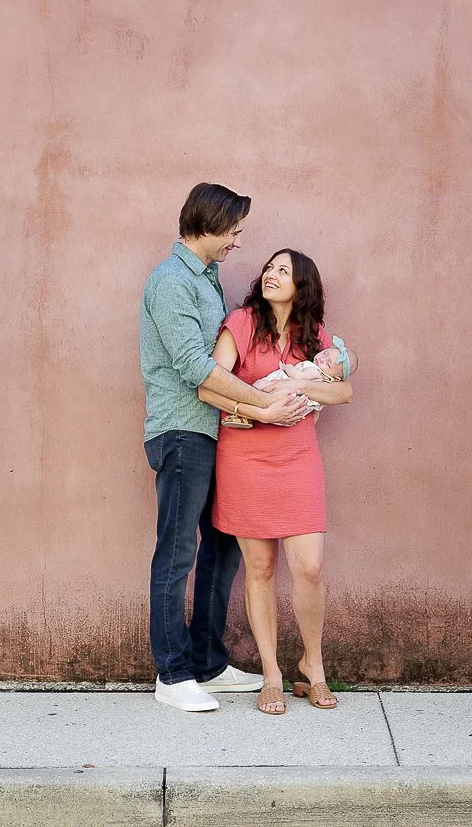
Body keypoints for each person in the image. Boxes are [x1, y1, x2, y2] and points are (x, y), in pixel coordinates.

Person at [141, 183, 309, 713]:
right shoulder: (171, 282)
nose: (237, 242)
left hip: (216, 434)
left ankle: (208, 662)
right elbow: (195, 366)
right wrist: (262, 403)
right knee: (178, 551)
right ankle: (172, 674)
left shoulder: (206, 281)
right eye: (233, 231)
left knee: (221, 550)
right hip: (181, 433)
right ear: (208, 225)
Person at [195, 249, 355, 715]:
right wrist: (256, 408)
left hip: (299, 460)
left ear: (302, 285)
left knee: (309, 568)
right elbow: (210, 385)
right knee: (260, 569)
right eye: (269, 268)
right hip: (245, 460)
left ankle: (313, 666)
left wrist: (298, 387)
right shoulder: (242, 323)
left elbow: (344, 390)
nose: (271, 274)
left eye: (282, 271)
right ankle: (272, 674)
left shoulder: (315, 337)